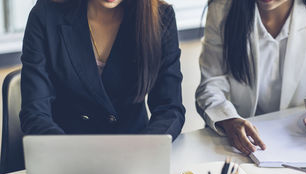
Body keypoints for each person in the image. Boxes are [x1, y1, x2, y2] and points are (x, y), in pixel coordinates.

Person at [196, 0, 306, 154]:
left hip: (305, 140)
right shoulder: (222, 8)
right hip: (246, 146)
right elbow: (211, 83)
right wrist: (228, 119)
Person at [20, 0, 185, 140]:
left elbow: (169, 108)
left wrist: (145, 149)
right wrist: (69, 155)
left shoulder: (161, 17)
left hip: (133, 151)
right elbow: (35, 113)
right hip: (66, 151)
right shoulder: (46, 14)